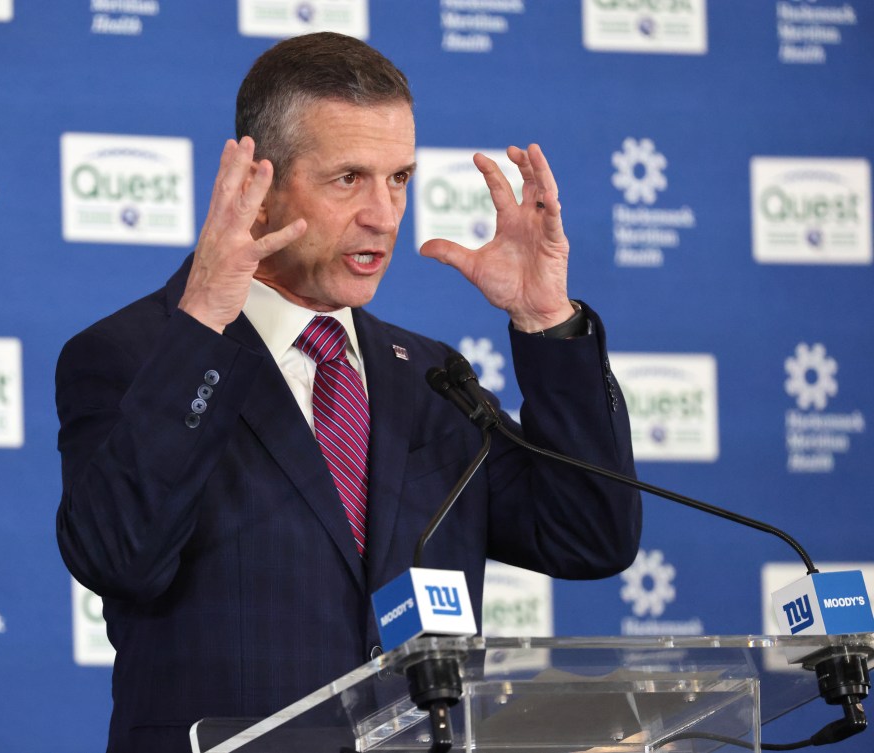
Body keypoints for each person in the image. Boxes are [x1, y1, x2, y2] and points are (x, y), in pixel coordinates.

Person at [56, 31, 641, 753]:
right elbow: (119, 557)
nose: (384, 215)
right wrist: (204, 319)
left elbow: (590, 535)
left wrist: (545, 318)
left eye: (399, 179)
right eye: (348, 179)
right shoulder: (136, 353)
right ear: (260, 188)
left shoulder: (432, 378)